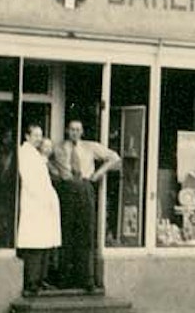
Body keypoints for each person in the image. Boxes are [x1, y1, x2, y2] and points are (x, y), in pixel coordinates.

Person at [48, 119, 121, 293]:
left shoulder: (90, 147)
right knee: (66, 231)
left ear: (82, 132)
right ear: (67, 131)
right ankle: (65, 278)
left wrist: (98, 174)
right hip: (67, 189)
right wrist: (56, 173)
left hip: (85, 187)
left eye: (78, 130)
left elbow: (114, 157)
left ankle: (86, 278)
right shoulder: (58, 148)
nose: (75, 132)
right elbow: (45, 159)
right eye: (72, 129)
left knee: (86, 232)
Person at [14, 124, 61, 296]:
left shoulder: (35, 154)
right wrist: (43, 198)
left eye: (40, 136)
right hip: (35, 205)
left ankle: (41, 279)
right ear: (27, 137)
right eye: (35, 135)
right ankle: (32, 282)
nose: (39, 139)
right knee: (34, 245)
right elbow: (31, 181)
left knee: (43, 243)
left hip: (43, 206)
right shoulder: (25, 153)